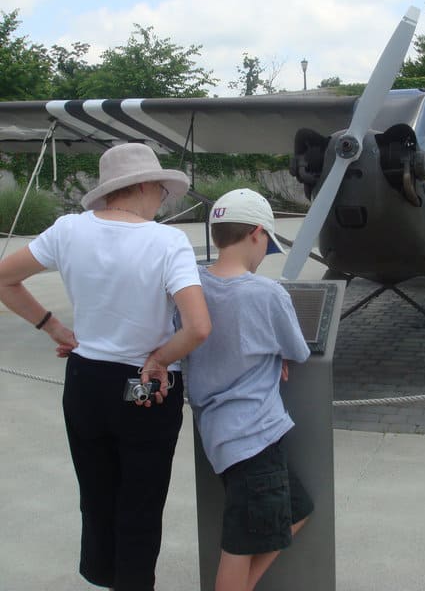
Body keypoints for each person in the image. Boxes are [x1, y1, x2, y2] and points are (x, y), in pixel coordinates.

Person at [0, 142, 211, 591]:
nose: (163, 199)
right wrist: (159, 357)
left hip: (86, 379)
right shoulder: (168, 241)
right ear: (145, 186)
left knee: (97, 495)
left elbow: (5, 276)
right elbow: (197, 327)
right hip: (145, 383)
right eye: (161, 190)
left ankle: (105, 576)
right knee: (141, 499)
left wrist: (53, 327)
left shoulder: (68, 230)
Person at [186, 188, 313, 591]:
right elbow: (298, 350)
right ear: (258, 233)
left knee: (297, 509)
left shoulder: (192, 287)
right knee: (239, 545)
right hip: (255, 436)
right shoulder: (267, 292)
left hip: (220, 435)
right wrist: (279, 358)